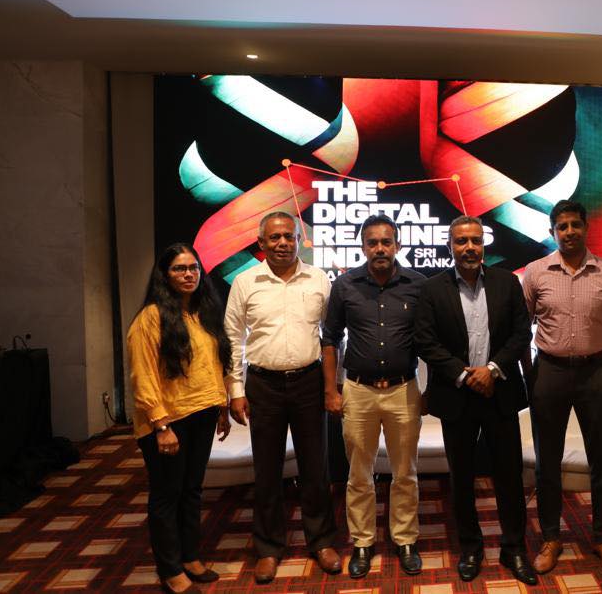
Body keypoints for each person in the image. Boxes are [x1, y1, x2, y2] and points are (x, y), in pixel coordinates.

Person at [413, 216, 537, 585]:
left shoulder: (507, 282)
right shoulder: (431, 289)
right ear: (449, 246)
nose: (469, 248)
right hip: (456, 396)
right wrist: (466, 375)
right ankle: (470, 547)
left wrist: (493, 370)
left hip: (500, 393)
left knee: (509, 475)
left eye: (476, 241)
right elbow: (425, 341)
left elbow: (521, 333)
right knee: (462, 477)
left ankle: (514, 547)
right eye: (461, 241)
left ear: (484, 245)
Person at [224, 212, 341, 585]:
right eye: (274, 237)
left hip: (309, 382)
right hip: (263, 384)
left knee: (315, 468)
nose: (282, 243)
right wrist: (236, 390)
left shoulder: (318, 279)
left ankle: (322, 541)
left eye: (288, 236)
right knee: (267, 470)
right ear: (261, 243)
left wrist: (332, 385)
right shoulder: (245, 282)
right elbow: (233, 337)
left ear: (299, 240)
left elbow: (332, 336)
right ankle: (269, 548)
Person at [521, 199, 602, 577]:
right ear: (552, 232)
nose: (569, 231)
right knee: (547, 461)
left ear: (586, 228)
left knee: (601, 459)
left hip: (595, 372)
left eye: (575, 224)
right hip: (549, 372)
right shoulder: (536, 272)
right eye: (562, 226)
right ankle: (551, 538)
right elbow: (520, 327)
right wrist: (529, 372)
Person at [321, 214, 425, 578]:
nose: (380, 248)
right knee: (359, 475)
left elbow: (430, 340)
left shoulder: (417, 284)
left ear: (397, 244)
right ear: (363, 247)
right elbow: (330, 339)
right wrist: (330, 390)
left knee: (405, 472)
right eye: (373, 243)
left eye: (386, 242)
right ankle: (363, 542)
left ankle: (405, 539)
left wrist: (429, 390)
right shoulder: (345, 285)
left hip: (403, 390)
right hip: (358, 391)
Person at [127, 243, 232, 594]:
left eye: (193, 268)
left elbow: (213, 365)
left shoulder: (204, 313)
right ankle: (170, 569)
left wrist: (220, 407)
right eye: (179, 269)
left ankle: (189, 557)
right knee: (166, 495)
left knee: (192, 491)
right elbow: (143, 376)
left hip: (202, 413)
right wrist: (161, 426)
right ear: (165, 275)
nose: (188, 274)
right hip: (167, 422)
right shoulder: (150, 318)